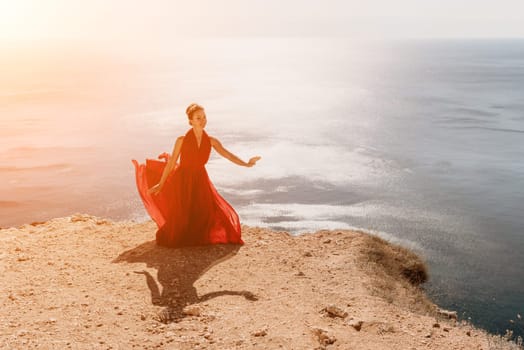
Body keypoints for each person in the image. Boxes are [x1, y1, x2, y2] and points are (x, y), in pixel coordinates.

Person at [132, 103, 261, 248]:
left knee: (205, 209)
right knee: (183, 212)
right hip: (183, 179)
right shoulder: (181, 140)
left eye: (204, 117)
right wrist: (161, 183)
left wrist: (246, 163)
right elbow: (171, 163)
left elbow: (228, 155)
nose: (203, 120)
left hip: (200, 179)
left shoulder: (211, 141)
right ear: (190, 121)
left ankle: (197, 237)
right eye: (198, 118)